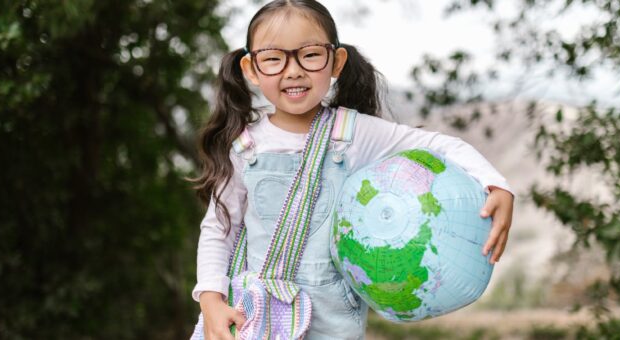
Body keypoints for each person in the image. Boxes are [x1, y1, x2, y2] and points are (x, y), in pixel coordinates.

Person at [190, 0, 514, 339]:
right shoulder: (245, 147)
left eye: (310, 54)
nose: (293, 70)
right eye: (273, 58)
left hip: (333, 323)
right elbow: (219, 228)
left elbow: (439, 145)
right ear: (251, 68)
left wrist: (497, 184)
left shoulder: (353, 133)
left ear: (336, 61)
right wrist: (211, 300)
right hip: (257, 321)